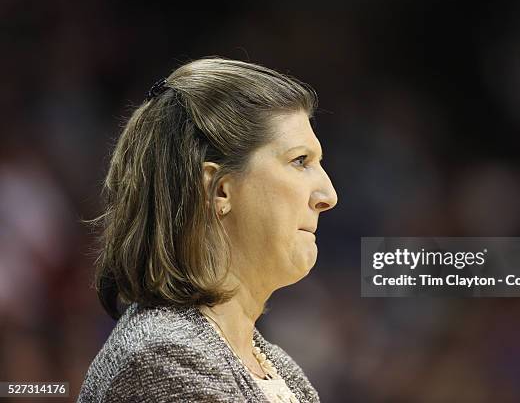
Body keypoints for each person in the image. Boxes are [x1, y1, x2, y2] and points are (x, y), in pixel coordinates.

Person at [78, 57, 337, 402]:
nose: (328, 196)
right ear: (219, 190)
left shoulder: (277, 366)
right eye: (299, 161)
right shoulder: (165, 359)